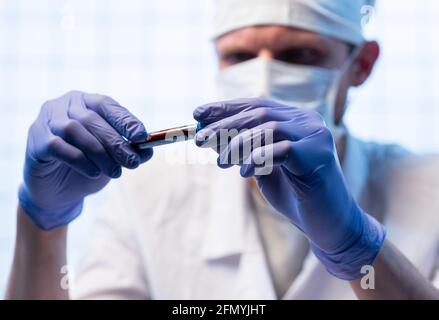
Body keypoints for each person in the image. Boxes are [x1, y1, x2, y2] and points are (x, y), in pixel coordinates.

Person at [6, 0, 439, 299]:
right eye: (239, 56)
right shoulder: (147, 196)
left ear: (361, 65)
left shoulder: (431, 191)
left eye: (299, 53)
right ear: (215, 58)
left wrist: (357, 247)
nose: (263, 77)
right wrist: (42, 225)